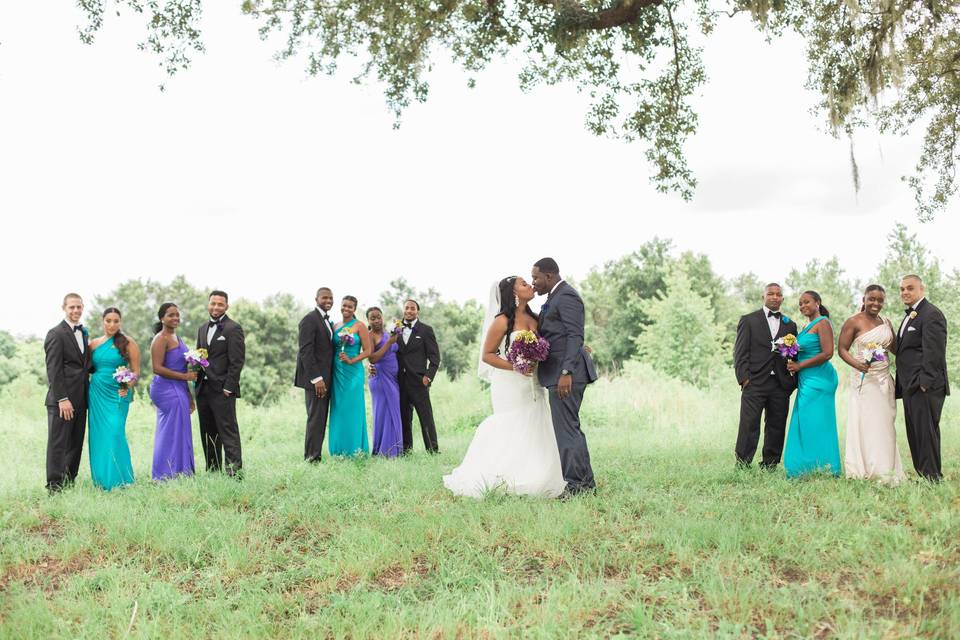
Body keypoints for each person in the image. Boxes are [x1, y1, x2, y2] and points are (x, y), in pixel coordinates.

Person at [444, 276, 566, 498]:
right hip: (510, 382)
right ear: (513, 293)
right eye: (523, 284)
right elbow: (487, 355)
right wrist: (515, 366)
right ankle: (503, 476)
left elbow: (551, 344)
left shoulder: (536, 318)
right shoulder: (502, 321)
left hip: (533, 381)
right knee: (512, 423)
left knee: (536, 420)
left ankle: (537, 474)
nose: (529, 285)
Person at [531, 257, 598, 496]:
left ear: (549, 276)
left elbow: (574, 335)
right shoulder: (552, 298)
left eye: (536, 277)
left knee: (567, 430)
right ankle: (585, 483)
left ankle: (577, 486)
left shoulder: (567, 296)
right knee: (570, 429)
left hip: (566, 375)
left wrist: (566, 372)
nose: (534, 282)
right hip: (558, 372)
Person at [837, 285, 905, 484]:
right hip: (864, 381)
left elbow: (895, 349)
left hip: (884, 379)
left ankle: (886, 469)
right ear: (864, 299)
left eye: (880, 300)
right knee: (866, 423)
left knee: (885, 424)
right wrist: (857, 364)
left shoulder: (886, 322)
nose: (876, 303)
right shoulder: (853, 321)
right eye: (872, 299)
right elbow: (842, 349)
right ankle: (865, 467)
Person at [733, 283, 799, 469]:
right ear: (764, 297)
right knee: (749, 424)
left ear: (782, 299)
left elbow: (793, 354)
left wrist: (791, 381)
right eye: (771, 293)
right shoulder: (749, 320)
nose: (774, 297)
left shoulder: (790, 325)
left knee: (776, 425)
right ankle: (743, 464)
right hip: (754, 382)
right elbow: (740, 353)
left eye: (778, 294)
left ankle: (770, 464)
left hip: (780, 383)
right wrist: (744, 379)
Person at [895, 275, 949, 481]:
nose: (905, 292)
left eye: (910, 288)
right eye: (902, 289)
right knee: (916, 433)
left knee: (926, 433)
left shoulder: (931, 314)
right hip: (910, 386)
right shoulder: (912, 315)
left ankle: (932, 478)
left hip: (925, 386)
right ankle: (923, 475)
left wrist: (924, 383)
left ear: (921, 289)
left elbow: (934, 353)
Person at [783, 291, 841, 478]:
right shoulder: (806, 327)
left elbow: (827, 353)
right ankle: (806, 465)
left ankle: (825, 466)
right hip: (806, 379)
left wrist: (799, 365)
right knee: (807, 421)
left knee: (817, 422)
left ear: (817, 303)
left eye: (807, 302)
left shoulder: (822, 323)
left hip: (820, 380)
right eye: (800, 304)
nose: (803, 306)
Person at [87, 307, 139, 490]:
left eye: (116, 321)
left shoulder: (128, 342)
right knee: (99, 436)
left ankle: (123, 479)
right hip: (97, 394)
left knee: (116, 433)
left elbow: (136, 371)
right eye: (108, 320)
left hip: (119, 394)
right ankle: (102, 480)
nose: (112, 324)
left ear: (120, 322)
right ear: (102, 321)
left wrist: (127, 385)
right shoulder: (93, 344)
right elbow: (86, 369)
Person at [43, 293, 90, 492]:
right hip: (62, 400)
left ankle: (70, 482)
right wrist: (62, 398)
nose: (76, 311)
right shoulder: (55, 333)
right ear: (64, 308)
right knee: (58, 443)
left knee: (75, 443)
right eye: (72, 307)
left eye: (79, 307)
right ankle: (54, 486)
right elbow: (53, 370)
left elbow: (83, 366)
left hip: (81, 398)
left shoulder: (84, 333)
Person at [195, 290, 245, 477]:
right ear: (208, 304)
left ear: (226, 306)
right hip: (203, 389)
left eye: (220, 304)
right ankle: (213, 471)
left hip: (223, 390)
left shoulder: (233, 329)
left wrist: (228, 388)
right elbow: (201, 357)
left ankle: (234, 473)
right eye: (213, 303)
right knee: (208, 432)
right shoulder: (202, 328)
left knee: (228, 431)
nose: (216, 307)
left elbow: (237, 361)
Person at [150, 302, 197, 480]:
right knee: (169, 431)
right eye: (171, 315)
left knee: (180, 429)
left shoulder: (178, 338)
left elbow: (184, 368)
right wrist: (184, 378)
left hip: (179, 388)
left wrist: (190, 397)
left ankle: (181, 471)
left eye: (177, 314)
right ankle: (163, 474)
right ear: (162, 318)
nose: (175, 318)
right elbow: (157, 368)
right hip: (165, 388)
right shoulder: (160, 339)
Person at [328, 296, 373, 456]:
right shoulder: (335, 326)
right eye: (344, 306)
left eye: (350, 307)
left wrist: (352, 359)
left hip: (353, 373)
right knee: (338, 410)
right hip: (337, 373)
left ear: (355, 309)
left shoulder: (359, 326)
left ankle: (355, 449)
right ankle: (338, 449)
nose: (346, 309)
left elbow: (368, 351)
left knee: (352, 409)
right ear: (340, 306)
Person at [295, 287, 336, 462]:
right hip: (316, 380)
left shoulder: (327, 321)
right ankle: (311, 458)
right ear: (316, 299)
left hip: (327, 378)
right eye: (324, 297)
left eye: (331, 298)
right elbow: (305, 351)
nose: (328, 300)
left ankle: (315, 454)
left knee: (320, 418)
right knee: (316, 418)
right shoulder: (309, 320)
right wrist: (317, 379)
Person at [396, 299, 441, 454]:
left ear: (417, 311)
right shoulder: (396, 329)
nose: (409, 311)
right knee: (404, 417)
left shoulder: (426, 330)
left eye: (412, 308)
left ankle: (433, 450)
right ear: (403, 310)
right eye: (406, 308)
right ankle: (406, 451)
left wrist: (428, 377)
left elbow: (435, 358)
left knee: (426, 417)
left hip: (419, 381)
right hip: (400, 381)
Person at [367, 307, 403, 457]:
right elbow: (372, 358)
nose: (376, 320)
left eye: (378, 317)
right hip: (380, 379)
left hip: (393, 379)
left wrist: (393, 339)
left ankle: (394, 449)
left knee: (393, 412)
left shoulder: (389, 334)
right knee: (383, 413)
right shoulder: (370, 336)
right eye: (372, 318)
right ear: (368, 321)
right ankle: (383, 450)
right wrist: (389, 344)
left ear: (383, 317)